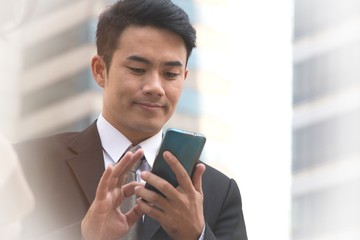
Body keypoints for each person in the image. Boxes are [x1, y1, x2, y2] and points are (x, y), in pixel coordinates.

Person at [15, 0, 248, 239]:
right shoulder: (26, 165)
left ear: (184, 77)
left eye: (170, 74)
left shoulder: (219, 192)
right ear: (99, 70)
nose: (156, 88)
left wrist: (197, 235)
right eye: (138, 69)